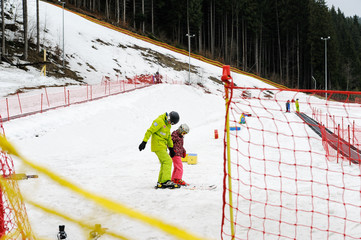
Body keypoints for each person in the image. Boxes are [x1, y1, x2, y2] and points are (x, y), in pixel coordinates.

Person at [138, 111, 180, 189]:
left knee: (164, 163)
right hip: (157, 145)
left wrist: (171, 148)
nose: (171, 124)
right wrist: (144, 141)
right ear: (169, 117)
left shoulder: (168, 125)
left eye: (173, 124)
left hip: (163, 146)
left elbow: (168, 137)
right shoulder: (159, 121)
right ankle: (166, 181)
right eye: (171, 122)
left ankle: (161, 181)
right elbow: (150, 131)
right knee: (168, 161)